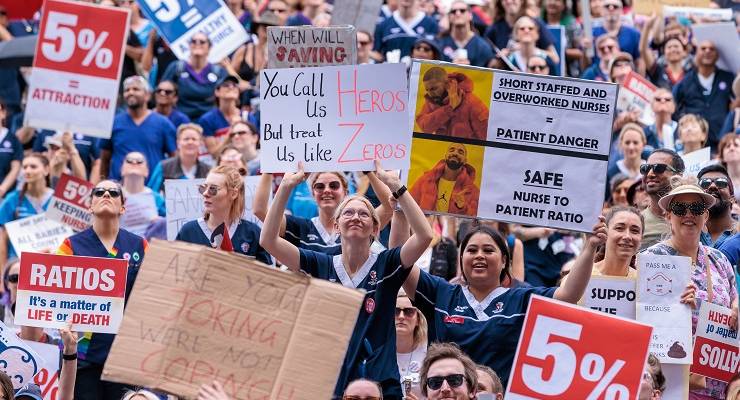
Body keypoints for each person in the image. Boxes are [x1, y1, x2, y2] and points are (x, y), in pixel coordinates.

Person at [259, 161, 433, 398]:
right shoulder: (321, 263)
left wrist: (397, 187)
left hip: (381, 384)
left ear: (375, 228)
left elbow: (424, 236)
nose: (355, 217)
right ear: (336, 226)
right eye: (348, 212)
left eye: (364, 214)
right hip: (333, 383)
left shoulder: (387, 264)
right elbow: (268, 241)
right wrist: (286, 186)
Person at [403, 219, 606, 387]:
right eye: (472, 250)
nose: (479, 255)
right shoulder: (442, 293)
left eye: (488, 250)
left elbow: (568, 294)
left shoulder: (520, 299)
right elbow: (401, 262)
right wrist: (400, 212)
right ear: (461, 257)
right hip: (447, 395)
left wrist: (589, 247)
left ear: (504, 261)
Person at [641, 181, 738, 399]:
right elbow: (644, 315)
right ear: (668, 216)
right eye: (679, 209)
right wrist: (675, 306)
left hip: (720, 383)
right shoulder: (652, 259)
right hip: (674, 383)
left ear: (705, 216)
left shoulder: (719, 259)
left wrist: (736, 307)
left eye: (696, 209)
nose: (688, 214)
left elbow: (734, 298)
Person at [57, 180, 147, 400]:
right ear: (90, 205)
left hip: (124, 357)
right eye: (99, 192)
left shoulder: (140, 245)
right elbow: (55, 297)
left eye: (113, 192)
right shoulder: (69, 246)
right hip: (82, 355)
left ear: (123, 207)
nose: (106, 194)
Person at [254, 169, 392, 255]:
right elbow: (260, 210)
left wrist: (370, 173)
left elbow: (389, 206)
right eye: (319, 186)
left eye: (334, 185)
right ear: (313, 194)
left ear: (346, 192)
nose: (326, 190)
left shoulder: (359, 224)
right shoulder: (301, 227)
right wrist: (268, 169)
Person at [176, 165, 271, 264]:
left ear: (233, 194)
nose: (205, 193)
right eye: (203, 188)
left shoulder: (252, 233)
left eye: (213, 189)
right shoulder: (188, 231)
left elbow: (267, 276)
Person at [100, 76, 177, 181]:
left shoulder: (163, 123)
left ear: (147, 95)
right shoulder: (113, 123)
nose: (131, 92)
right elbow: (104, 160)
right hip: (120, 191)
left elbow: (174, 159)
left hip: (152, 190)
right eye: (127, 90)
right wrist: (103, 184)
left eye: (136, 89)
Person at [673, 40, 735, 152]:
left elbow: (735, 105)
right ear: (696, 52)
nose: (707, 51)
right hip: (694, 144)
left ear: (717, 55)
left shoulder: (728, 78)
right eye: (703, 48)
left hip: (720, 143)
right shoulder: (686, 81)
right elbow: (673, 106)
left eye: (712, 49)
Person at [0, 153, 53, 269]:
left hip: (51, 265)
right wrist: (2, 275)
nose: (27, 171)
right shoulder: (12, 199)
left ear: (46, 170)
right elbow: (2, 239)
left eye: (33, 167)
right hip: (18, 266)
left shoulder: (58, 199)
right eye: (24, 167)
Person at [161, 32, 228, 120]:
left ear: (209, 47)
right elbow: (161, 92)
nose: (197, 44)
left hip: (210, 121)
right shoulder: (176, 68)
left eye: (202, 42)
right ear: (189, 45)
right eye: (193, 41)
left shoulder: (219, 72)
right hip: (179, 119)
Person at [416, 67, 488, 140]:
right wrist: (449, 108)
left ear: (447, 84)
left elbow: (487, 140)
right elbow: (425, 127)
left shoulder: (473, 103)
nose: (430, 94)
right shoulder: (432, 101)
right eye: (427, 90)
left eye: (434, 88)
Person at [410, 142, 480, 216]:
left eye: (460, 152)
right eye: (452, 150)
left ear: (465, 161)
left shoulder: (473, 191)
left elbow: (475, 220)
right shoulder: (426, 179)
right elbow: (409, 204)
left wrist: (462, 207)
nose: (455, 153)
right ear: (445, 156)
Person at [640, 149, 685, 250]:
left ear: (678, 176)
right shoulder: (636, 222)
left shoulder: (693, 218)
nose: (650, 174)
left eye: (659, 168)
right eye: (645, 168)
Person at [148, 123, 211, 193]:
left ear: (200, 143)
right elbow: (152, 194)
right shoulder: (163, 167)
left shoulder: (208, 171)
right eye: (186, 139)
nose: (190, 142)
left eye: (194, 139)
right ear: (178, 143)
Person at [117, 152, 165, 238]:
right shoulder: (111, 195)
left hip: (149, 248)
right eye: (129, 161)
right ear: (122, 170)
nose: (134, 163)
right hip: (116, 247)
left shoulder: (156, 198)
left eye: (139, 161)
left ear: (147, 171)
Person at [373, 0, 439, 61]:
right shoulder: (384, 24)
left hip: (420, 72)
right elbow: (376, 53)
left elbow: (436, 55)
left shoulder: (431, 24)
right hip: (391, 72)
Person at [438, 1, 494, 68]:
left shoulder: (483, 46)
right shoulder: (439, 43)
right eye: (453, 11)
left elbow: (487, 75)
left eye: (462, 11)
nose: (458, 13)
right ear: (449, 17)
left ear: (470, 15)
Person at [197, 75, 244, 154]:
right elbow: (214, 153)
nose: (231, 87)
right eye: (226, 85)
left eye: (235, 85)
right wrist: (232, 130)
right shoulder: (207, 120)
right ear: (217, 92)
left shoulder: (248, 117)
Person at [590, 0, 641, 70]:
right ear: (601, 10)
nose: (611, 9)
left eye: (615, 6)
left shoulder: (634, 34)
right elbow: (587, 63)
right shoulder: (592, 33)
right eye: (607, 6)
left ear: (621, 10)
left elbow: (639, 62)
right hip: (598, 78)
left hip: (624, 77)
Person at [396, 292, 427, 399]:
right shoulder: (378, 353)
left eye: (408, 312)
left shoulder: (429, 352)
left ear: (418, 320)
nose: (401, 316)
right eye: (395, 311)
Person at [697, 165, 735, 248]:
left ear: (732, 198)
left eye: (721, 182)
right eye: (705, 183)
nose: (712, 186)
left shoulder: (738, 235)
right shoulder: (688, 233)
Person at [607, 123, 647, 189]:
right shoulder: (612, 172)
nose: (631, 147)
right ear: (621, 144)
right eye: (627, 142)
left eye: (635, 142)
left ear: (643, 144)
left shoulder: (650, 171)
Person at [0, 100, 21, 200]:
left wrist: (2, 190)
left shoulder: (13, 139)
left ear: (4, 113)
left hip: (5, 196)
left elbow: (15, 168)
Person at [719, 133, 740, 200]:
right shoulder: (717, 181)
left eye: (736, 145)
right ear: (722, 157)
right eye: (728, 146)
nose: (732, 148)